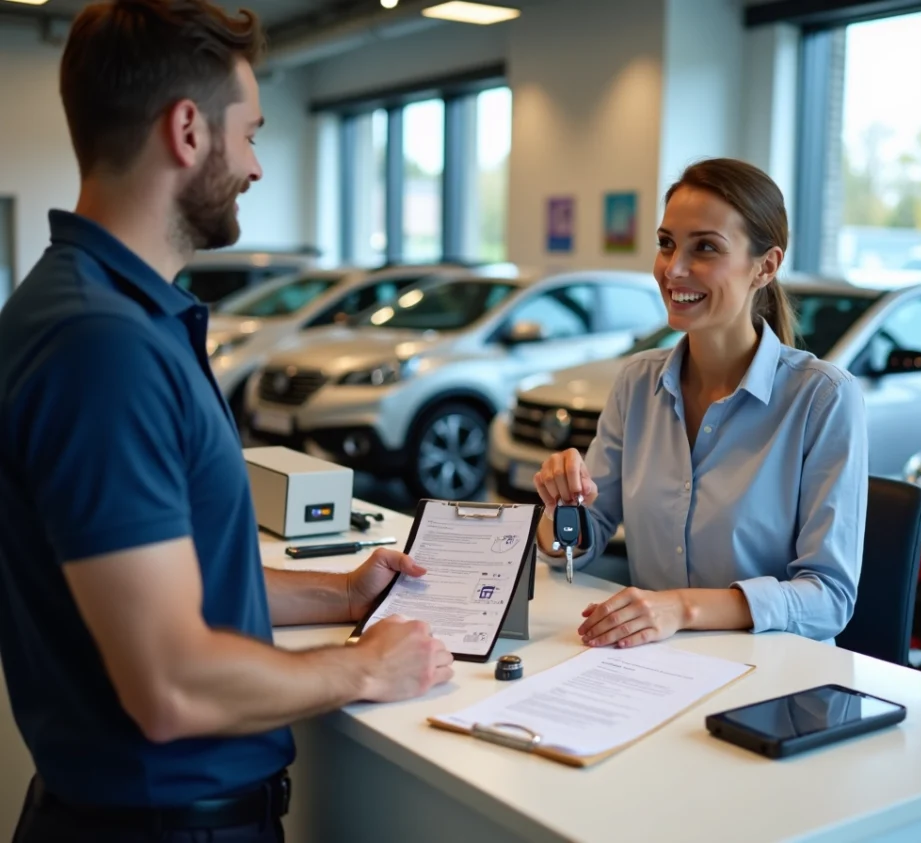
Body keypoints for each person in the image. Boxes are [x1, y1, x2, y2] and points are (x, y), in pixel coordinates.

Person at [0, 2, 452, 841]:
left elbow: (178, 572)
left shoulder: (102, 312)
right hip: (160, 827)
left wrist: (343, 594)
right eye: (249, 133)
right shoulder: (101, 345)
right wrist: (362, 666)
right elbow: (170, 683)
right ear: (187, 131)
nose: (256, 165)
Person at [533, 158, 867, 649]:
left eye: (705, 247)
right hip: (651, 660)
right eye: (667, 244)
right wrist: (561, 510)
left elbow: (829, 596)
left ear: (766, 266)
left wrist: (681, 607)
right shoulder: (636, 381)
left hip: (772, 676)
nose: (675, 268)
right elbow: (584, 538)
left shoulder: (822, 398)